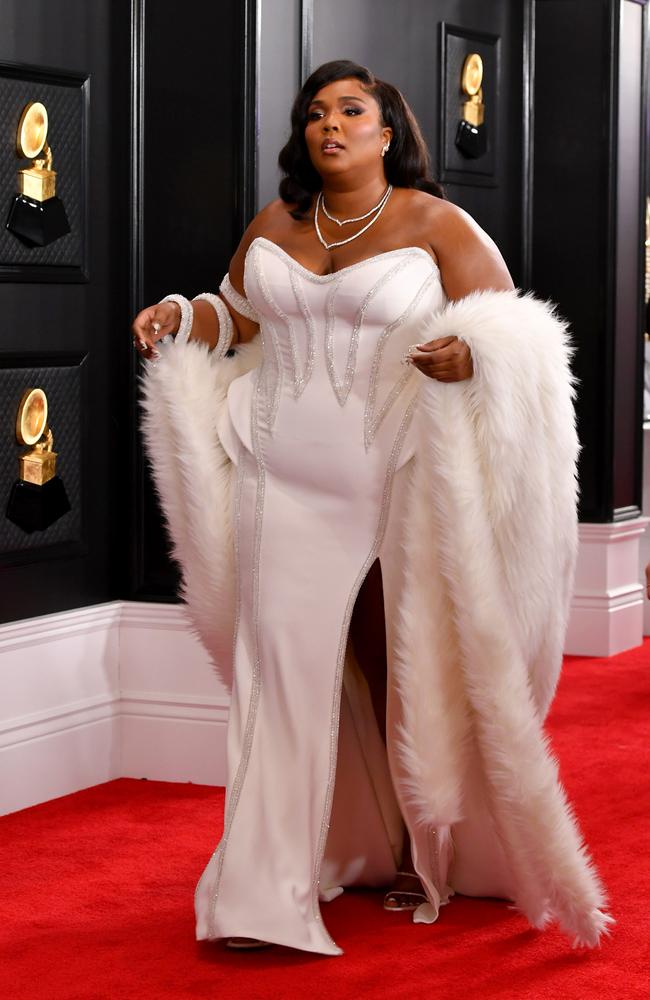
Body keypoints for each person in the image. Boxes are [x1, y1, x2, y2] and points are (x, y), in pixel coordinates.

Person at [132, 60, 613, 954]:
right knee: (278, 678)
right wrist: (177, 315)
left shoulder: (437, 223)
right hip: (281, 477)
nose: (331, 125)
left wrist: (473, 357)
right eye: (316, 112)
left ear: (388, 131)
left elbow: (518, 337)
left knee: (401, 662)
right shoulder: (276, 223)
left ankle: (416, 853)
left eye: (352, 110)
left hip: (398, 475)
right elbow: (234, 319)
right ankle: (261, 897)